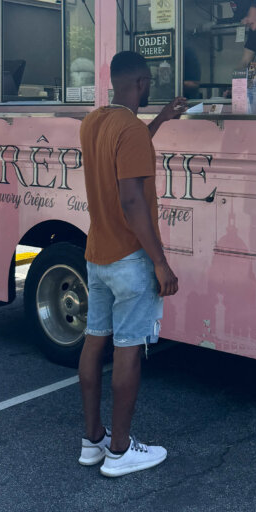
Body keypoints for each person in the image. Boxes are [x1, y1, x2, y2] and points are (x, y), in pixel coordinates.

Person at [77, 51, 188, 477]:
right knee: (127, 350)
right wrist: (160, 263)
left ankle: (93, 441)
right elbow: (131, 198)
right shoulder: (131, 132)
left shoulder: (96, 122)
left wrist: (159, 120)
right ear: (141, 82)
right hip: (130, 259)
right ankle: (121, 451)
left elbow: (127, 150)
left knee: (94, 340)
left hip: (96, 254)